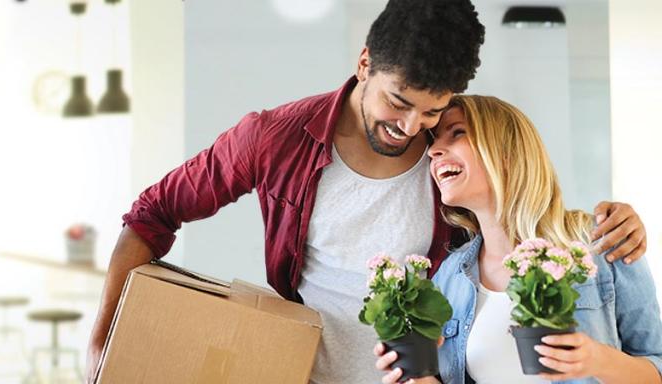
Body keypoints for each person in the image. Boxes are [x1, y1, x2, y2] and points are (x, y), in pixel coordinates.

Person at [87, 1, 648, 382]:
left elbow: (517, 216)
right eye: (398, 103)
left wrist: (613, 219)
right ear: (364, 63)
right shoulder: (273, 138)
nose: (411, 128)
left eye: (431, 112)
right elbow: (151, 215)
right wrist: (102, 338)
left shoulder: (447, 163)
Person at [375, 95, 662, 384]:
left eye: (458, 132)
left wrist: (597, 359)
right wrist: (417, 377)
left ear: (506, 150)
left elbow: (657, 367)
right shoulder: (449, 277)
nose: (433, 150)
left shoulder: (603, 242)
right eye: (435, 140)